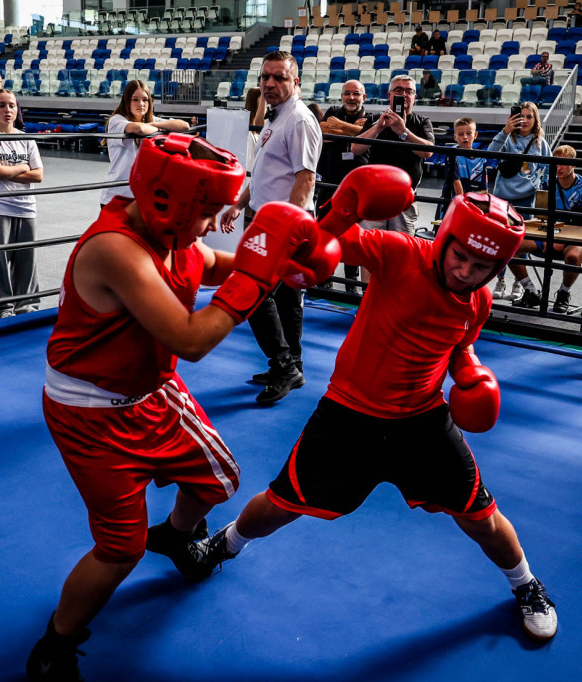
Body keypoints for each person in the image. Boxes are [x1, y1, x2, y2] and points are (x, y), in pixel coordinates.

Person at [25, 133, 340, 682]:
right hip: (91, 413)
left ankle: (172, 535)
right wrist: (261, 275)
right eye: (209, 212)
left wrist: (293, 253)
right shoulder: (116, 249)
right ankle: (57, 642)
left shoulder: (172, 234)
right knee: (119, 549)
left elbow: (222, 264)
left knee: (218, 479)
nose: (213, 222)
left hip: (152, 391)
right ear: (171, 201)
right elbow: (192, 339)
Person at [189, 186, 560, 644]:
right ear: (444, 240)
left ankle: (526, 585)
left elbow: (459, 344)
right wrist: (343, 206)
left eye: (481, 267)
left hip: (423, 420)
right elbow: (318, 242)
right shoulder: (400, 252)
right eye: (459, 257)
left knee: (480, 516)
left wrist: (470, 372)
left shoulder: (479, 300)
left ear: (496, 269)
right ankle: (224, 545)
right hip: (349, 415)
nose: (465, 272)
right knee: (283, 504)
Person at [219, 52, 323, 405]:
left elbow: (304, 180)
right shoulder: (275, 118)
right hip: (267, 220)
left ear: (296, 82)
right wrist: (239, 203)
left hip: (283, 227)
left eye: (278, 77)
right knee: (286, 299)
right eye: (265, 77)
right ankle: (292, 365)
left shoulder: (299, 121)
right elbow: (264, 171)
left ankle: (284, 366)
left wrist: (287, 230)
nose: (269, 83)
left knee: (253, 293)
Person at [0, 90, 44, 321]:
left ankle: (26, 307)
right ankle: (0, 310)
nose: (7, 110)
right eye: (2, 105)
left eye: (12, 105)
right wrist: (23, 166)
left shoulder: (25, 137)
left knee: (27, 261)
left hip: (26, 207)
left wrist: (8, 172)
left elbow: (39, 175)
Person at [508, 145, 582, 312]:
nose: (559, 167)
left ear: (574, 164)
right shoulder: (547, 183)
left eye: (564, 163)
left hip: (576, 239)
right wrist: (550, 236)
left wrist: (563, 240)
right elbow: (542, 215)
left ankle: (563, 293)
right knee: (510, 246)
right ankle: (531, 291)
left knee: (573, 255)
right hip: (549, 234)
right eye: (556, 162)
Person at [351, 74, 435, 240]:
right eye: (398, 90)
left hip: (404, 196)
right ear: (389, 95)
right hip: (375, 193)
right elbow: (356, 149)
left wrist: (403, 132)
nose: (403, 95)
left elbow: (428, 152)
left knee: (401, 247)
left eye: (408, 91)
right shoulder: (375, 119)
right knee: (370, 247)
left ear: (414, 97)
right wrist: (378, 129)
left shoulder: (422, 121)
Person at [488, 102, 552, 302]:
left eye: (529, 117)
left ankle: (519, 282)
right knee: (500, 241)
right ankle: (501, 279)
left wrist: (543, 188)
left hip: (527, 199)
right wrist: (504, 130)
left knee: (520, 243)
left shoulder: (541, 143)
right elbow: (490, 155)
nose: (524, 120)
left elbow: (549, 167)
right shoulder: (507, 138)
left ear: (535, 120)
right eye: (520, 116)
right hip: (503, 198)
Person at [100, 80, 190, 207]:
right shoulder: (117, 120)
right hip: (117, 195)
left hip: (141, 196)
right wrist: (158, 127)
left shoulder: (150, 120)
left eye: (145, 99)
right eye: (135, 99)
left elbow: (184, 126)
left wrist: (153, 124)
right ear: (127, 101)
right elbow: (139, 129)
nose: (141, 104)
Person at [318, 80, 369, 294]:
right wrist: (354, 131)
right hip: (329, 182)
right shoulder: (331, 110)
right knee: (325, 231)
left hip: (355, 186)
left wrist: (340, 127)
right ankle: (323, 276)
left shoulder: (372, 118)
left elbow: (364, 136)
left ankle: (351, 283)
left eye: (356, 94)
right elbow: (322, 132)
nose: (351, 97)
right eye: (347, 93)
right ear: (341, 96)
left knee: (352, 234)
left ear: (363, 97)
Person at [439, 117, 487, 220]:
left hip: (474, 205)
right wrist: (465, 205)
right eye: (460, 134)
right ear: (455, 137)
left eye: (469, 133)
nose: (465, 137)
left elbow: (484, 190)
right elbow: (457, 184)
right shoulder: (452, 154)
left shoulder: (482, 158)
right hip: (454, 204)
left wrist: (475, 203)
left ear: (475, 135)